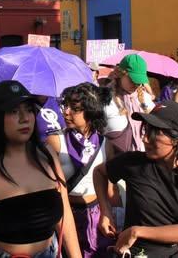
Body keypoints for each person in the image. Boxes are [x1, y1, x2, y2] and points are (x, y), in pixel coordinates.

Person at [0, 80, 81, 257]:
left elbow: (65, 215)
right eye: (14, 111)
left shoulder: (48, 156)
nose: (25, 118)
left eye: (29, 109)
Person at [94, 101, 178, 257]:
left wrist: (137, 232)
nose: (146, 139)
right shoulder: (133, 162)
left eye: (154, 134)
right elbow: (99, 172)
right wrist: (105, 211)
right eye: (145, 130)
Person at [46, 82, 114, 257]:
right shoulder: (55, 140)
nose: (66, 112)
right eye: (65, 105)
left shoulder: (105, 143)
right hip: (64, 214)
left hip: (96, 214)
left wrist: (108, 213)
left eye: (74, 108)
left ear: (91, 112)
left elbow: (109, 187)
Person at [101, 54, 154, 153]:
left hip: (143, 159)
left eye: (139, 81)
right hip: (115, 161)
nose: (136, 84)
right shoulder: (104, 97)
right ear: (121, 74)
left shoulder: (146, 98)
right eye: (132, 80)